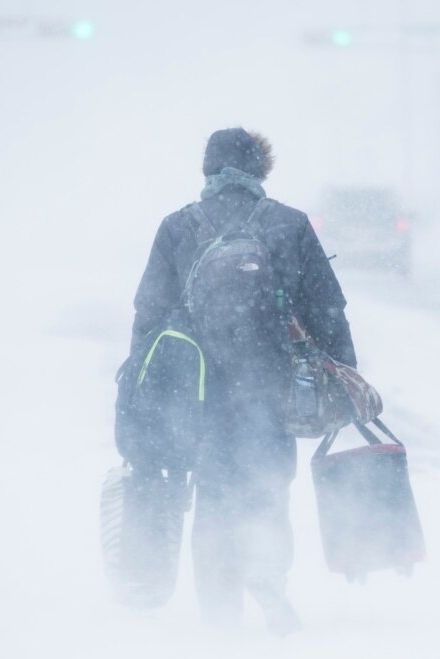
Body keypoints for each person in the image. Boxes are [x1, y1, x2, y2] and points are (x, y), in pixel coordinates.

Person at [129, 128, 356, 634]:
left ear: (208, 171)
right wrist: (344, 373)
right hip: (270, 391)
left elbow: (149, 316)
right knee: (267, 487)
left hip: (198, 395)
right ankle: (267, 578)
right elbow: (327, 310)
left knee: (211, 494)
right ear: (260, 171)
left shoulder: (178, 228)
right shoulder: (289, 224)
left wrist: (140, 392)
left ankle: (218, 609)